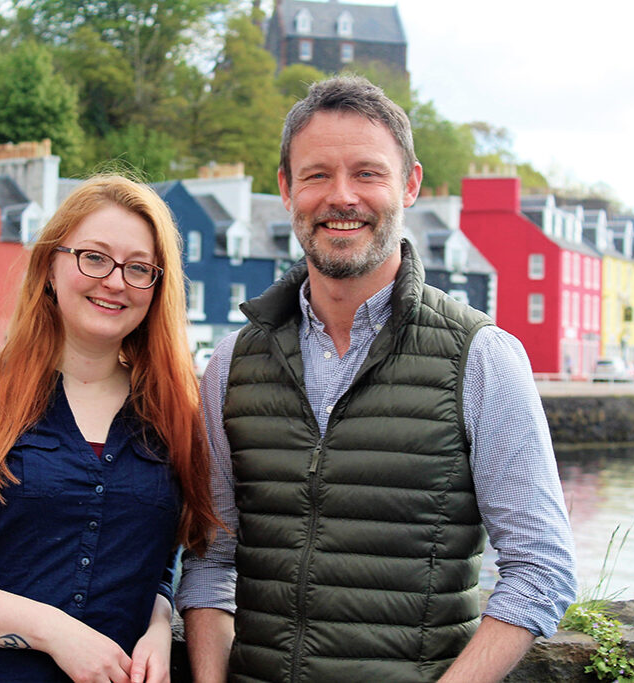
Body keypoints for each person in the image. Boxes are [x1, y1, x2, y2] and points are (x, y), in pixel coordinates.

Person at [177, 76, 577, 682]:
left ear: (409, 184)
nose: (342, 197)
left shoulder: (483, 357)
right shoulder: (233, 363)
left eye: (368, 173)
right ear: (286, 188)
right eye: (316, 175)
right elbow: (212, 563)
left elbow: (541, 569)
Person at [0, 174, 217, 683]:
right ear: (51, 266)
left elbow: (153, 558)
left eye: (139, 268)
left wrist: (159, 622)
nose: (116, 280)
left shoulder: (173, 418)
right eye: (93, 257)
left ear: (157, 288)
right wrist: (54, 630)